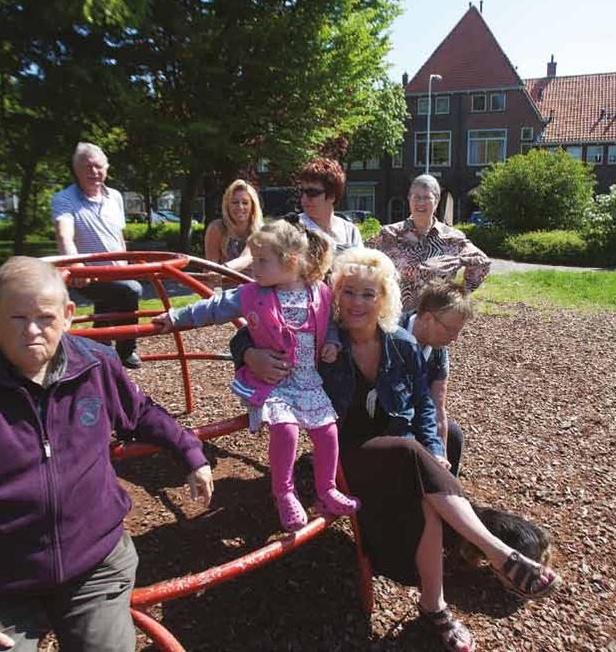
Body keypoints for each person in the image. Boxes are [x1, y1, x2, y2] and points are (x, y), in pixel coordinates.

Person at [0, 256, 213, 652]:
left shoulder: (93, 366)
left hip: (94, 564)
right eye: (17, 318)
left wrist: (190, 451)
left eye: (45, 317)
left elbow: (140, 412)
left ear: (69, 315)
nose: (33, 331)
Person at [236, 248, 559, 652]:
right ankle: (496, 552)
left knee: (431, 462)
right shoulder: (321, 337)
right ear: (336, 296)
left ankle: (434, 607)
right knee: (409, 453)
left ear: (384, 298)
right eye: (349, 292)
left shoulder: (401, 344)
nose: (357, 302)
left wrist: (435, 447)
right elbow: (247, 332)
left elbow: (425, 404)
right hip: (345, 455)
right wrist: (250, 353)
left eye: (368, 294)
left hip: (396, 447)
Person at [152, 220, 359, 532]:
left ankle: (327, 489)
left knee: (328, 431)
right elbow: (215, 307)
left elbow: (329, 322)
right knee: (286, 430)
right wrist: (176, 317)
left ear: (289, 261)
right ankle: (284, 493)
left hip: (307, 381)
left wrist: (331, 341)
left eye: (261, 261)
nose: (254, 267)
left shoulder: (320, 293)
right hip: (275, 385)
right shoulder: (252, 294)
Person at [52, 142, 143, 369]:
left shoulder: (115, 197)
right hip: (89, 274)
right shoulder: (65, 199)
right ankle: (126, 349)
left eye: (98, 166)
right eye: (87, 166)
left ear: (107, 168)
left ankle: (98, 354)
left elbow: (118, 236)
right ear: (76, 170)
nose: (94, 171)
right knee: (132, 290)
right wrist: (77, 266)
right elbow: (65, 236)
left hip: (117, 272)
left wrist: (127, 262)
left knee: (112, 301)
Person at [368, 174, 491, 311]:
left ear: (437, 201)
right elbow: (361, 258)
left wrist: (460, 294)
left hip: (435, 318)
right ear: (409, 199)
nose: (421, 202)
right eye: (416, 197)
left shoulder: (452, 238)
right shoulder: (389, 234)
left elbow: (482, 263)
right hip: (395, 318)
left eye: (427, 197)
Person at [401, 279, 474, 476]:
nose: (454, 338)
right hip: (386, 414)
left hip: (418, 414)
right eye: (450, 329)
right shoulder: (391, 332)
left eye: (458, 331)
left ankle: (448, 486)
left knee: (454, 436)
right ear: (426, 317)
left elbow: (438, 406)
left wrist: (441, 455)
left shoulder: (438, 351)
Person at [294, 158, 363, 254]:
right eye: (301, 192)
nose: (304, 198)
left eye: (312, 192)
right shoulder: (293, 229)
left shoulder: (351, 232)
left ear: (332, 196)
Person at [203, 179, 263, 277]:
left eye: (245, 203)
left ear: (252, 206)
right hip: (226, 289)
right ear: (227, 205)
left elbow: (247, 256)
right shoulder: (217, 228)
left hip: (254, 289)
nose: (240, 207)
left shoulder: (261, 232)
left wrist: (222, 270)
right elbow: (210, 267)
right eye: (235, 202)